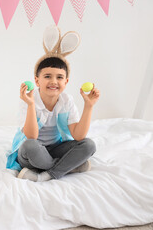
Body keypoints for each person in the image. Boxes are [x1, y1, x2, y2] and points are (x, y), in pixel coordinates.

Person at [6, 26, 100, 182]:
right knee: (30, 145)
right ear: (37, 80)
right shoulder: (29, 99)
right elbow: (31, 136)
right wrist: (30, 105)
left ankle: (46, 175)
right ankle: (69, 167)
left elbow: (78, 136)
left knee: (89, 145)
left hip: (55, 150)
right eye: (47, 76)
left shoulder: (66, 100)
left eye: (59, 77)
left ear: (66, 81)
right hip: (31, 153)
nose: (53, 82)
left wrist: (88, 106)